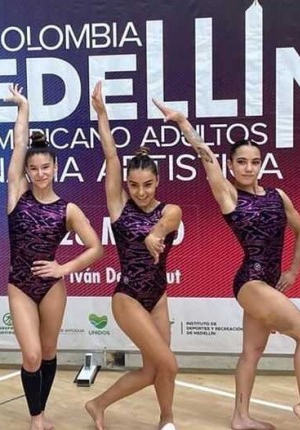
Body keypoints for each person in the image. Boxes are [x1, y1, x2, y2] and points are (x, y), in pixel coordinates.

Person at [153, 100, 300, 430]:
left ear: (261, 164)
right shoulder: (229, 196)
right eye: (241, 162)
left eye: (254, 162)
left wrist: (293, 271)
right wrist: (183, 123)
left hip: (269, 281)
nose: (248, 168)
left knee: (251, 352)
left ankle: (240, 417)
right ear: (231, 165)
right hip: (251, 281)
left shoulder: (278, 196)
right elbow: (205, 157)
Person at [84, 82, 182, 430]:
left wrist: (155, 234)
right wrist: (102, 114)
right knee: (169, 364)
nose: (141, 192)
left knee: (155, 369)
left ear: (158, 181)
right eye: (134, 185)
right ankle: (102, 404)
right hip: (128, 297)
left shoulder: (170, 210)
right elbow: (111, 156)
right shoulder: (119, 207)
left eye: (148, 185)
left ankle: (159, 417)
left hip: (158, 296)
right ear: (126, 183)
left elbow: (169, 220)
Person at [5, 84, 103, 430]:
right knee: (31, 355)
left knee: (47, 353)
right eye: (34, 168)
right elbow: (20, 144)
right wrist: (23, 107)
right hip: (20, 284)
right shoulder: (17, 194)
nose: (40, 173)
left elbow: (96, 248)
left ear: (56, 167)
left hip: (51, 287)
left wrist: (64, 268)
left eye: (45, 167)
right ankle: (36, 418)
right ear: (27, 172)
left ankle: (41, 414)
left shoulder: (68, 209)